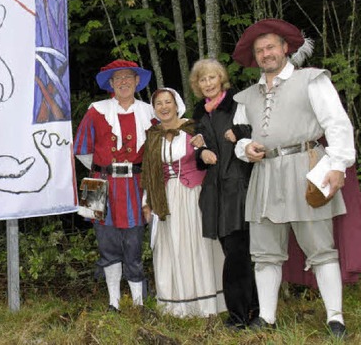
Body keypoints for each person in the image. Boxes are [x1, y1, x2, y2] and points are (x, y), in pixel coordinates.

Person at [231, 18, 355, 338]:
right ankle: (268, 319)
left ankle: (335, 319)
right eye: (259, 50)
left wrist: (338, 165)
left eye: (271, 46)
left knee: (321, 247)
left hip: (306, 167)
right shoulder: (246, 97)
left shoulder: (311, 80)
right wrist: (247, 148)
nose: (266, 53)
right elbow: (240, 139)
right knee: (265, 250)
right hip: (266, 174)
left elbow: (337, 122)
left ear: (286, 48)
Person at [74, 59, 154, 311]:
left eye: (128, 77)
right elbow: (82, 150)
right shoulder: (96, 110)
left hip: (135, 183)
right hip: (98, 185)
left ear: (137, 81)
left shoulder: (149, 112)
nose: (123, 82)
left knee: (133, 243)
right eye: (117, 78)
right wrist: (103, 170)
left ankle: (138, 303)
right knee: (106, 243)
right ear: (110, 83)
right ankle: (113, 302)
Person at [141, 88, 226, 317]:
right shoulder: (152, 135)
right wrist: (147, 202)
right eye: (159, 103)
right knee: (172, 245)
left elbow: (208, 154)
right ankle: (177, 305)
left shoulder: (194, 128)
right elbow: (149, 172)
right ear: (155, 109)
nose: (164, 107)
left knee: (197, 242)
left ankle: (207, 304)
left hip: (194, 194)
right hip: (165, 197)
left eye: (168, 102)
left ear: (177, 105)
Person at [189, 59, 258, 329]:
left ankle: (239, 315)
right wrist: (201, 152)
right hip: (214, 191)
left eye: (212, 78)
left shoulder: (238, 105)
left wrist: (240, 132)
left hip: (238, 186)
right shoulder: (200, 113)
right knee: (233, 250)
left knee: (237, 252)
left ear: (221, 79)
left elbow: (258, 135)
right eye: (202, 80)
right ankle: (253, 308)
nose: (207, 83)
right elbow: (201, 149)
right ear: (197, 85)